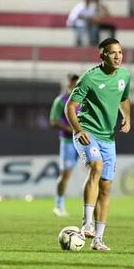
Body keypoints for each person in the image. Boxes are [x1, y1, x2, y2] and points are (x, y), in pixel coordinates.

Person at [65, 38, 131, 251]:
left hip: (108, 138)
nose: (118, 56)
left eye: (120, 52)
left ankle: (98, 240)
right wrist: (78, 130)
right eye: (112, 53)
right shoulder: (90, 78)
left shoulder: (124, 76)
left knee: (106, 187)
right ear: (102, 55)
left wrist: (127, 117)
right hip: (87, 132)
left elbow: (124, 98)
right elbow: (70, 106)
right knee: (96, 166)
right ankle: (86, 223)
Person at [49, 73, 80, 217]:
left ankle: (92, 210)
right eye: (73, 83)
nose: (75, 85)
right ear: (68, 84)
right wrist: (73, 129)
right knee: (65, 174)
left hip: (84, 142)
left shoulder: (85, 100)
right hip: (68, 142)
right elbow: (54, 121)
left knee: (96, 171)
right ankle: (59, 205)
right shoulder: (61, 100)